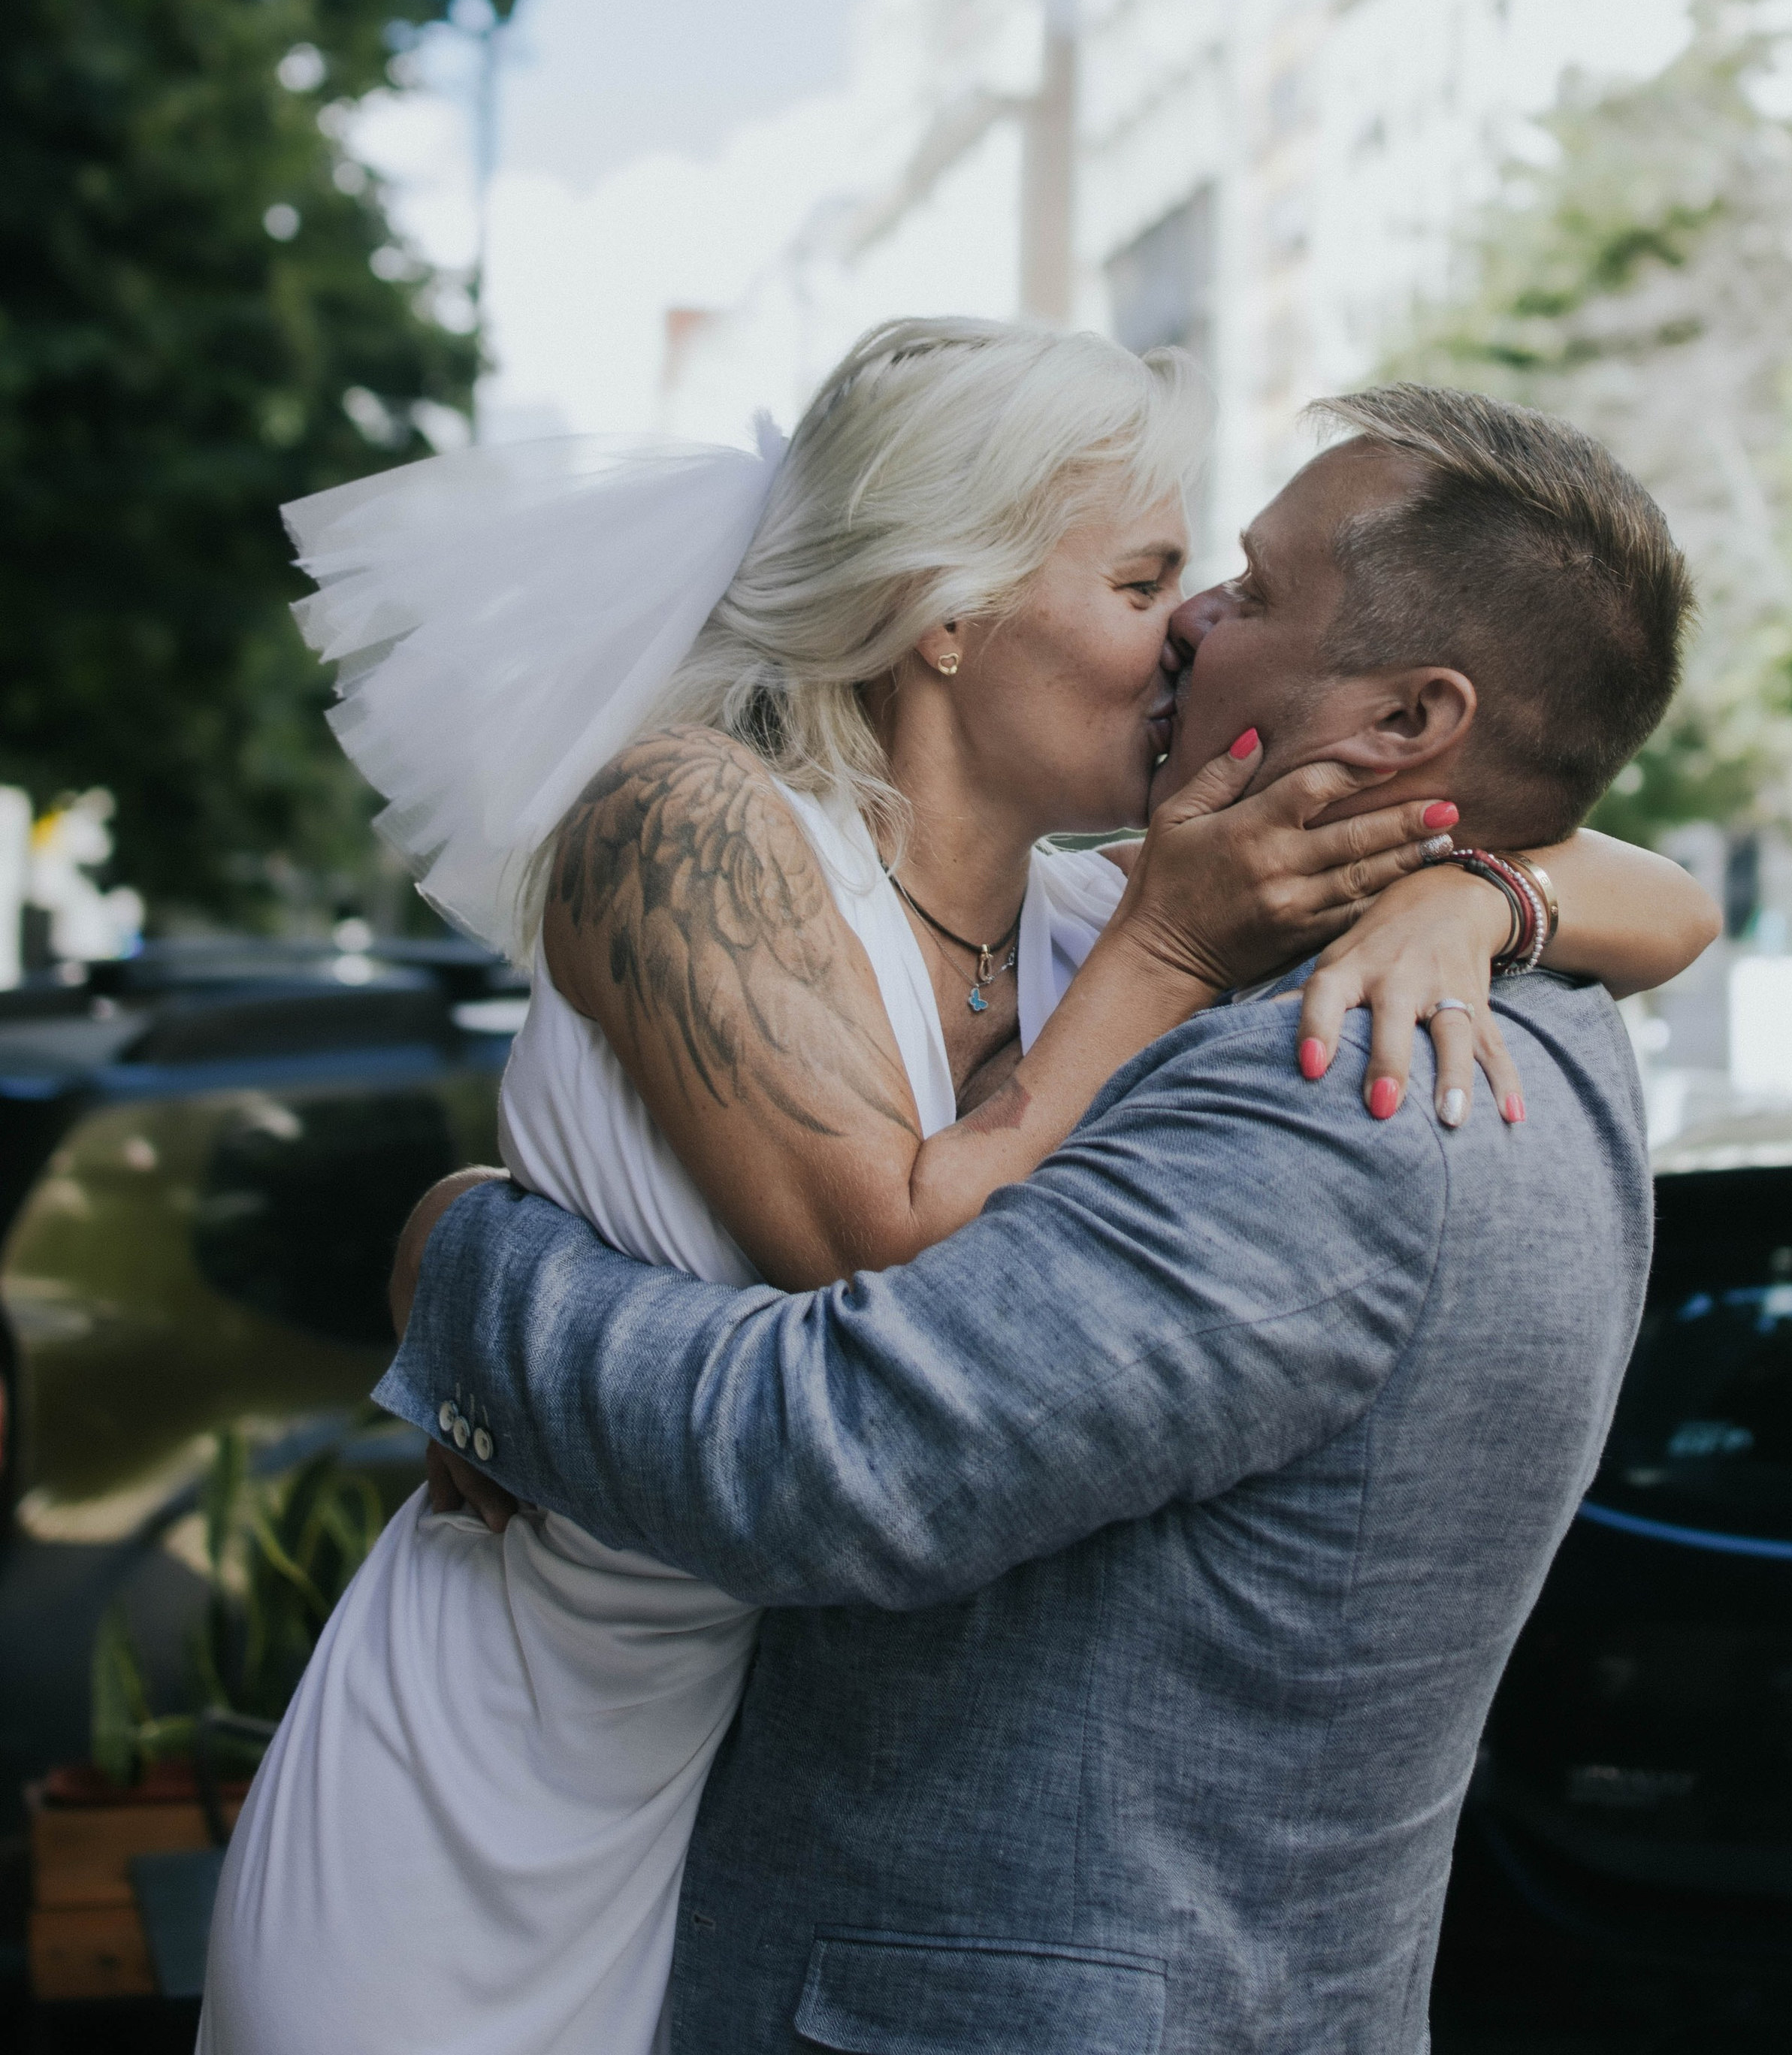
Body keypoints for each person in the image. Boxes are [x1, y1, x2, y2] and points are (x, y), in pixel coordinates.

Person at [201, 331, 1712, 2055]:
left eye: (1215, 580)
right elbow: (885, 1257)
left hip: (716, 1792)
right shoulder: (697, 813)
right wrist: (1176, 946)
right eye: (1147, 576)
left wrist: (1471, 900)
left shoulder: (1101, 921)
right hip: (509, 1759)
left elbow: (1658, 889)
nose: (1191, 623)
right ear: (942, 606)